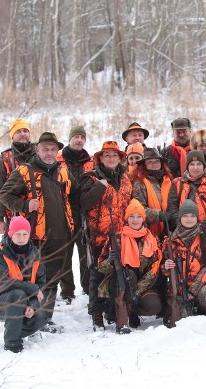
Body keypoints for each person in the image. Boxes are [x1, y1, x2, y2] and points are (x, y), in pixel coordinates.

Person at [0, 132, 76, 332]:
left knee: (52, 279)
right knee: (34, 279)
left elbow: (75, 194)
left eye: (53, 149)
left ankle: (43, 318)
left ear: (57, 151)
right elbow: (5, 195)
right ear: (37, 150)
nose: (49, 153)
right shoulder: (25, 171)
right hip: (36, 237)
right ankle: (29, 318)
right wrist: (24, 205)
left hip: (61, 235)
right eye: (45, 149)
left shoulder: (63, 172)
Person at [79, 141, 133, 330]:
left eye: (114, 155)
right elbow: (83, 203)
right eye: (107, 155)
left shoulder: (126, 179)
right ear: (100, 158)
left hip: (121, 235)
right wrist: (99, 188)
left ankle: (113, 310)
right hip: (99, 235)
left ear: (120, 158)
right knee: (97, 274)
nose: (111, 158)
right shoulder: (91, 178)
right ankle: (95, 313)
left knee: (118, 273)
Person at [0, 216, 47, 352]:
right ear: (10, 234)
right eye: (17, 234)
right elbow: (2, 283)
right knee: (18, 295)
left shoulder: (34, 254)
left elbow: (40, 283)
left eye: (25, 234)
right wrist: (32, 289)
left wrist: (32, 305)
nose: (21, 238)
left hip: (21, 299)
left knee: (41, 317)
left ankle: (13, 331)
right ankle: (12, 345)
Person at [97, 199, 162, 333]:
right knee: (128, 275)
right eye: (131, 216)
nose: (135, 220)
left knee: (154, 305)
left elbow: (153, 271)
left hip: (142, 286)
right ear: (127, 218)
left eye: (139, 216)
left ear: (143, 219)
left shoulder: (151, 240)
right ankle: (121, 315)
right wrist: (109, 261)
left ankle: (132, 311)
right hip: (119, 286)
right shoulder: (117, 238)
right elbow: (100, 267)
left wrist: (137, 293)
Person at [56, 125, 94, 299]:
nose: (79, 140)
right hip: (63, 213)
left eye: (82, 137)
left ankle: (87, 288)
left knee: (85, 255)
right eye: (76, 137)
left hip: (85, 213)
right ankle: (67, 291)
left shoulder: (92, 161)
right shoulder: (57, 160)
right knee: (64, 255)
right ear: (69, 139)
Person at [161, 199, 206, 314]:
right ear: (180, 218)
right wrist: (165, 267)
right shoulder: (170, 240)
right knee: (179, 316)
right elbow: (162, 268)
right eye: (185, 215)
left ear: (197, 218)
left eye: (192, 216)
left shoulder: (205, 238)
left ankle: (202, 313)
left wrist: (193, 290)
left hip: (197, 288)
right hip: (177, 291)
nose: (189, 219)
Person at [0, 118, 36, 235]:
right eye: (18, 132)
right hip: (15, 215)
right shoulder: (4, 159)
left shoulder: (40, 153)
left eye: (25, 131)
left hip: (40, 213)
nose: (22, 134)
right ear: (12, 136)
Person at [167, 150, 206, 240]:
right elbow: (172, 208)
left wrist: (202, 229)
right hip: (182, 234)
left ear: (204, 166)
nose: (195, 167)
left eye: (199, 164)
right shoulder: (177, 183)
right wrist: (183, 227)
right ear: (187, 166)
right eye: (192, 164)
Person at [131, 148, 173, 239]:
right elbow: (138, 209)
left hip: (170, 228)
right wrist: (159, 215)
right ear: (144, 165)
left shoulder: (169, 180)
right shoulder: (140, 183)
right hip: (149, 231)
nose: (154, 165)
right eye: (150, 162)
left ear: (161, 163)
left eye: (157, 161)